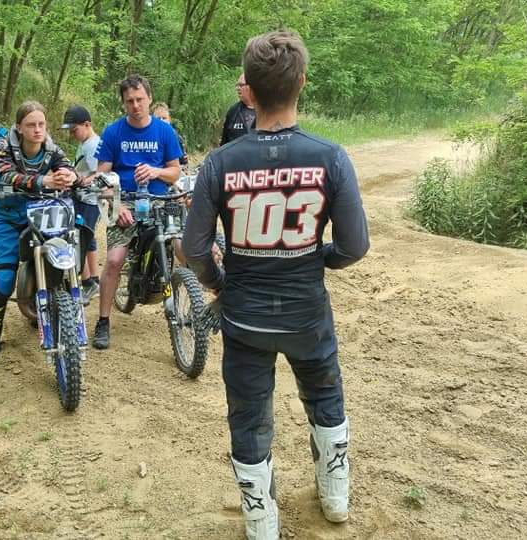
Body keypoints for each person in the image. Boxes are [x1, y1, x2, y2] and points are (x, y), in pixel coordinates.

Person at [182, 32, 369, 539]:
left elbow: (194, 249)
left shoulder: (220, 163)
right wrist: (316, 258)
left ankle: (260, 521)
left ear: (250, 87)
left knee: (248, 415)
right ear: (300, 83)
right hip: (307, 313)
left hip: (243, 315)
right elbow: (354, 246)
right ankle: (335, 497)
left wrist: (221, 281)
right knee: (325, 393)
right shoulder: (331, 158)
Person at [92, 75, 183, 350]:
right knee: (114, 260)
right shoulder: (113, 132)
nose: (135, 105)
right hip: (126, 201)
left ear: (149, 99)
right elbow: (100, 178)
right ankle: (103, 321)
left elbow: (175, 171)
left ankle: (196, 297)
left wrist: (155, 171)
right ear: (123, 103)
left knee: (184, 247)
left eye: (140, 99)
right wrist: (116, 205)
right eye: (129, 101)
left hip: (158, 200)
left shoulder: (165, 131)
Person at [0, 101, 76, 360]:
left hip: (43, 215)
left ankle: (49, 308)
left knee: (59, 263)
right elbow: (7, 175)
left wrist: (69, 176)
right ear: (19, 127)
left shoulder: (52, 148)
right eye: (31, 125)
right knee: (4, 281)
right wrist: (44, 180)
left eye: (41, 124)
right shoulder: (4, 146)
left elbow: (67, 166)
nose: (37, 129)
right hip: (9, 217)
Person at [60, 104, 101, 304]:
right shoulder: (86, 143)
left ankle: (86, 282)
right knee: (88, 239)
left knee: (78, 242)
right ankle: (94, 279)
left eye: (74, 129)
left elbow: (97, 174)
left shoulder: (93, 146)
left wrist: (77, 180)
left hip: (88, 201)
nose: (72, 134)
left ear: (87, 124)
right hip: (84, 199)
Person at [220, 71, 257, 145]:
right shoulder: (233, 111)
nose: (237, 88)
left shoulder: (266, 110)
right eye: (237, 85)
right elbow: (224, 142)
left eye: (241, 85)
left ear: (251, 86)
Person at [152, 102, 189, 167]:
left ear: (169, 119)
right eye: (158, 118)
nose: (161, 121)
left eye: (164, 118)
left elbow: (183, 161)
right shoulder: (148, 136)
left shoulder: (176, 137)